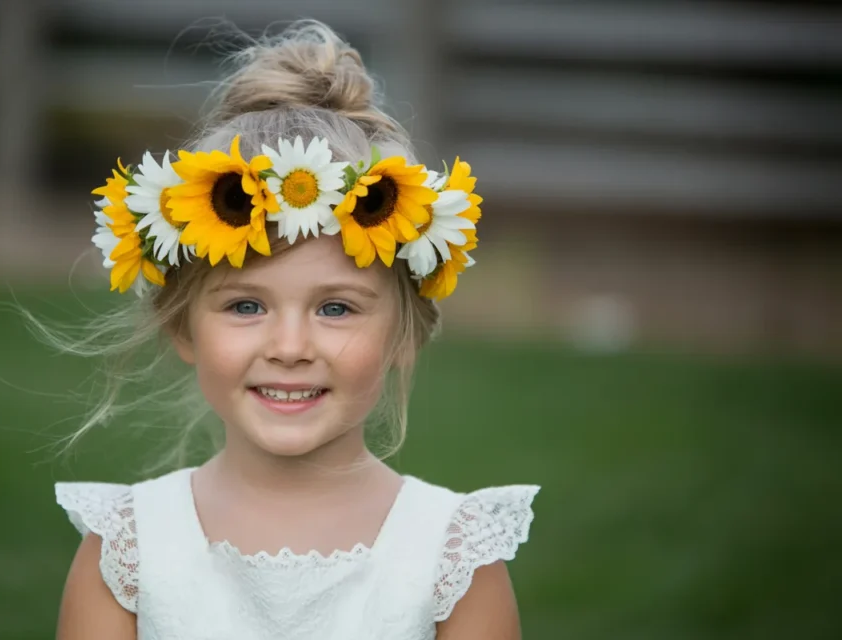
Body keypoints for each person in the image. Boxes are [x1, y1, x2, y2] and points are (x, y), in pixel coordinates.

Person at [53, 20, 539, 640]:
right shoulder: (128, 552)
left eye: (335, 308)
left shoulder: (454, 560)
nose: (289, 349)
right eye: (246, 307)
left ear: (405, 333)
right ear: (182, 327)